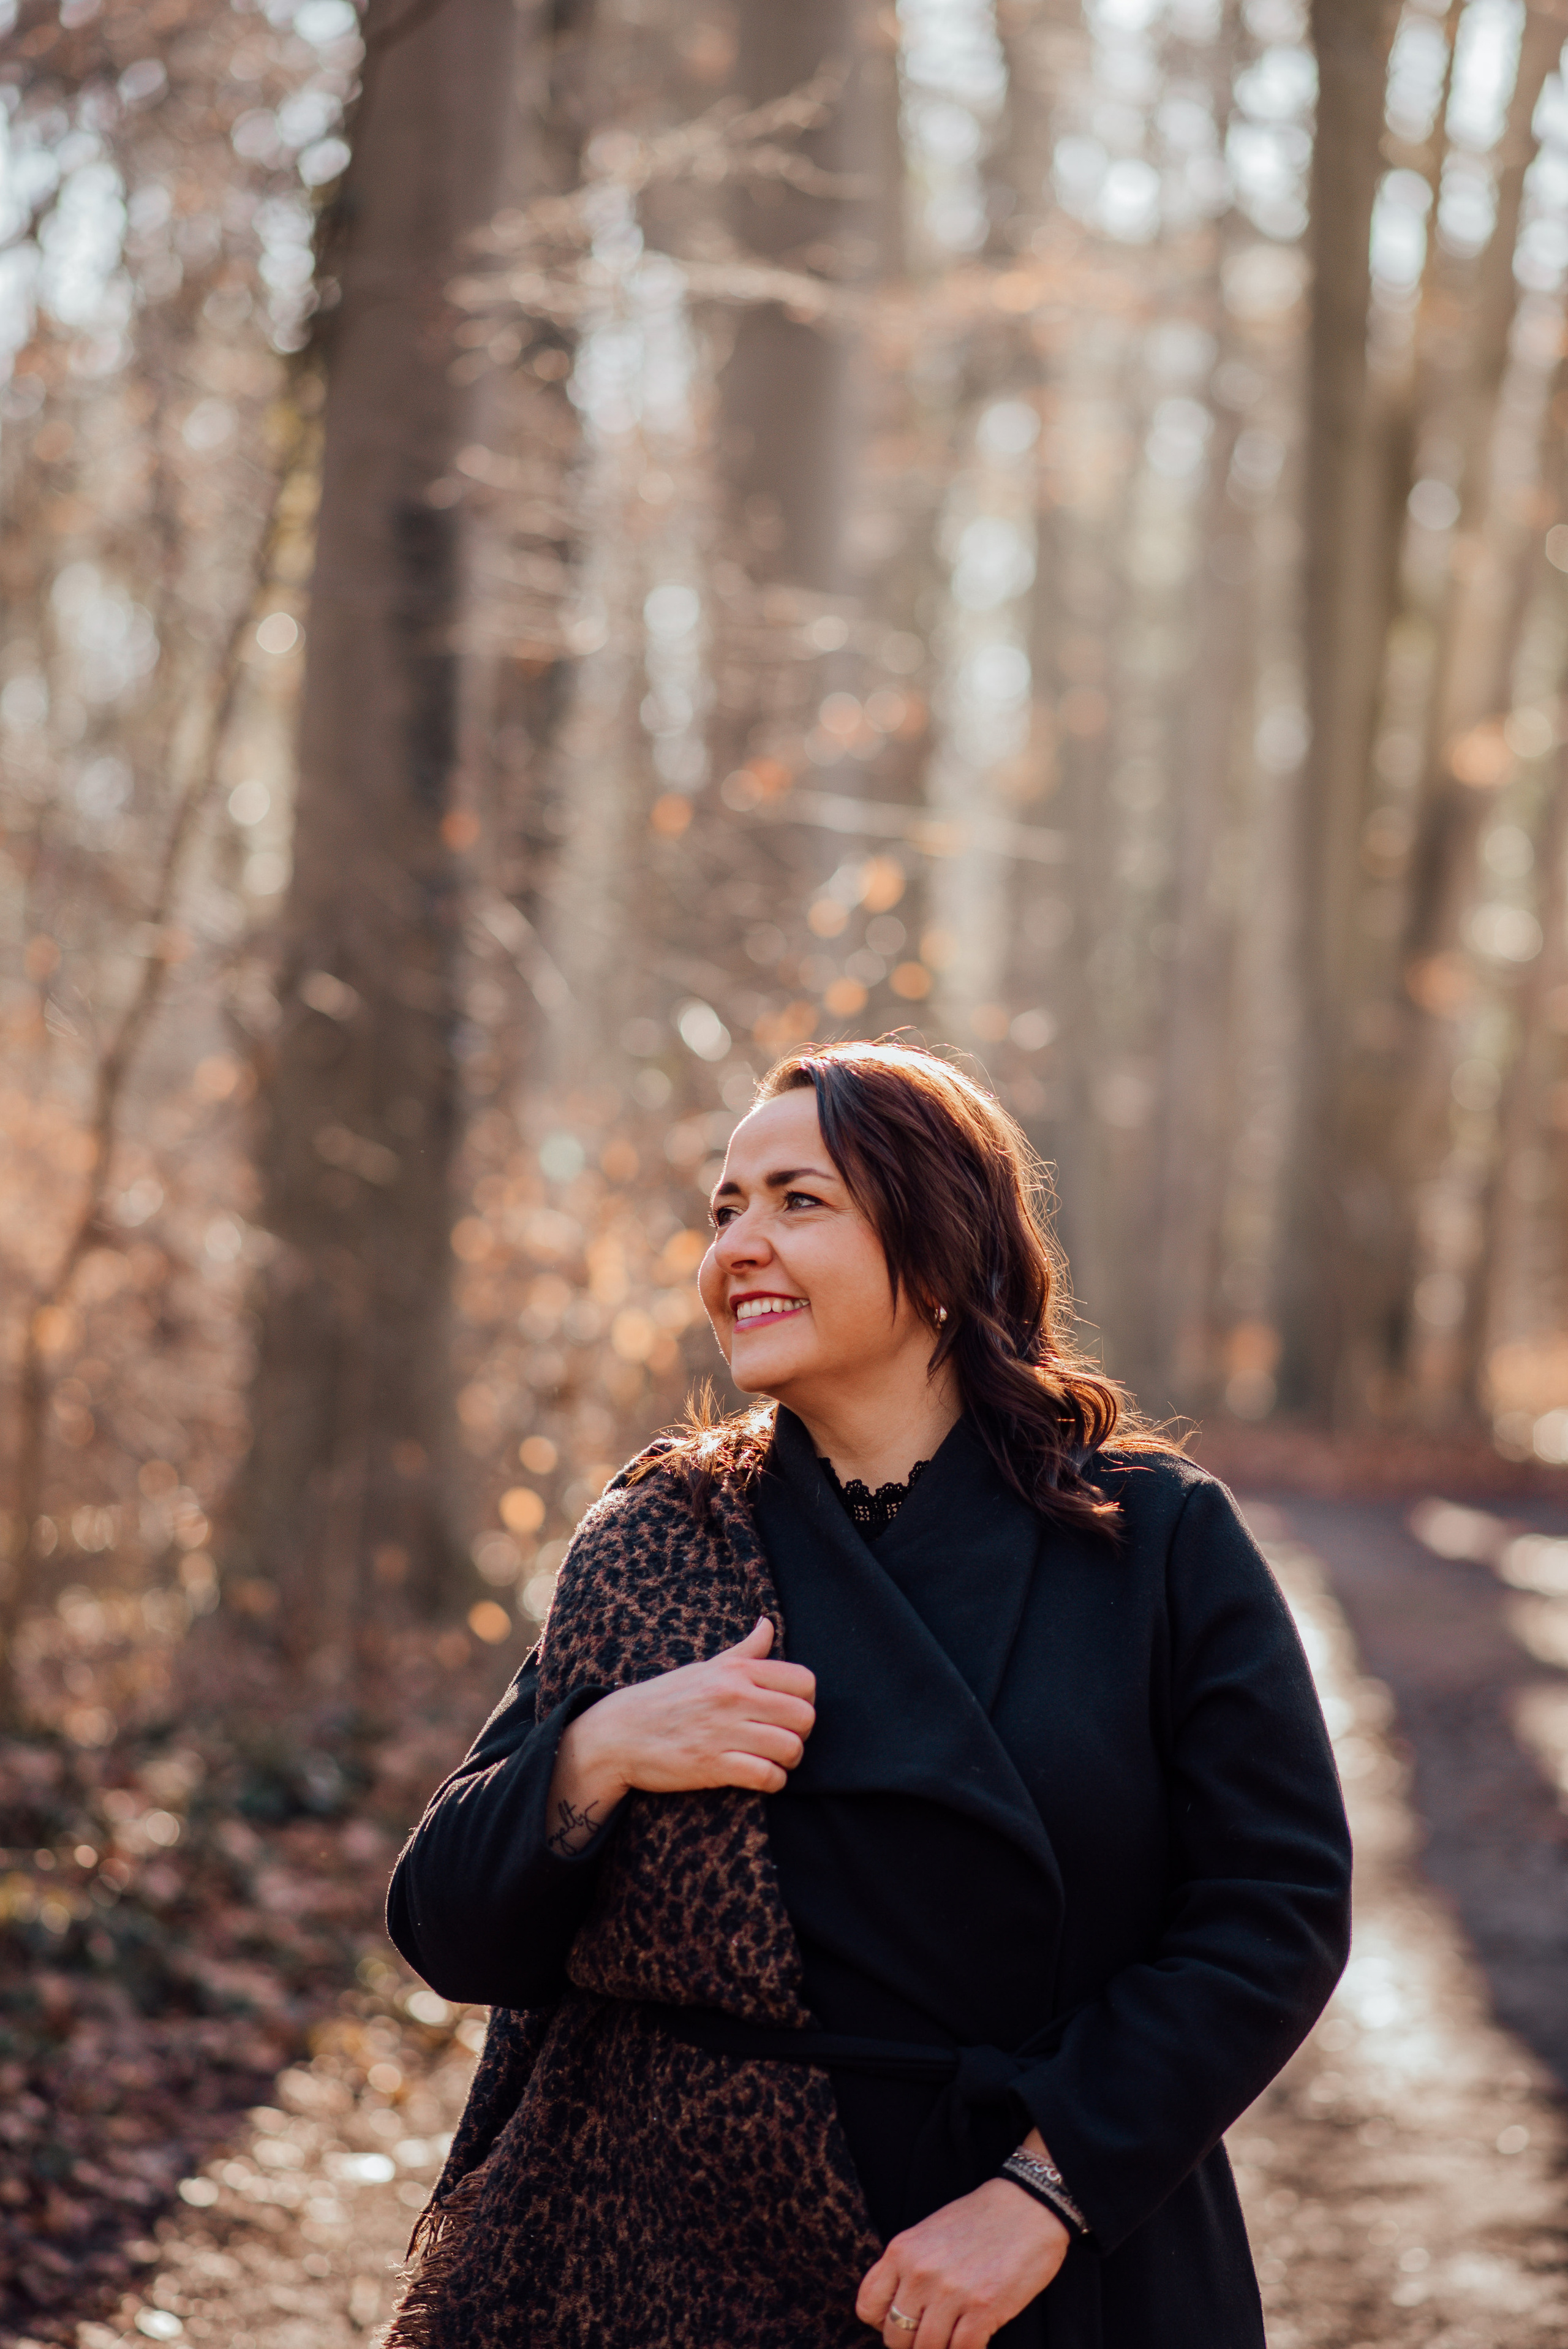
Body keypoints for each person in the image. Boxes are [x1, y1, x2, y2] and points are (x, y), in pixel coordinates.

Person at [385, 1038, 1352, 2349]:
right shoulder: (660, 1536)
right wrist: (598, 1751)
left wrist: (1040, 2196)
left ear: (943, 1248)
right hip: (671, 2264)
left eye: (797, 1200)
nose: (736, 1245)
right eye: (722, 1209)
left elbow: (1269, 1915)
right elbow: (448, 1931)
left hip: (1040, 2262)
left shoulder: (1153, 1539)